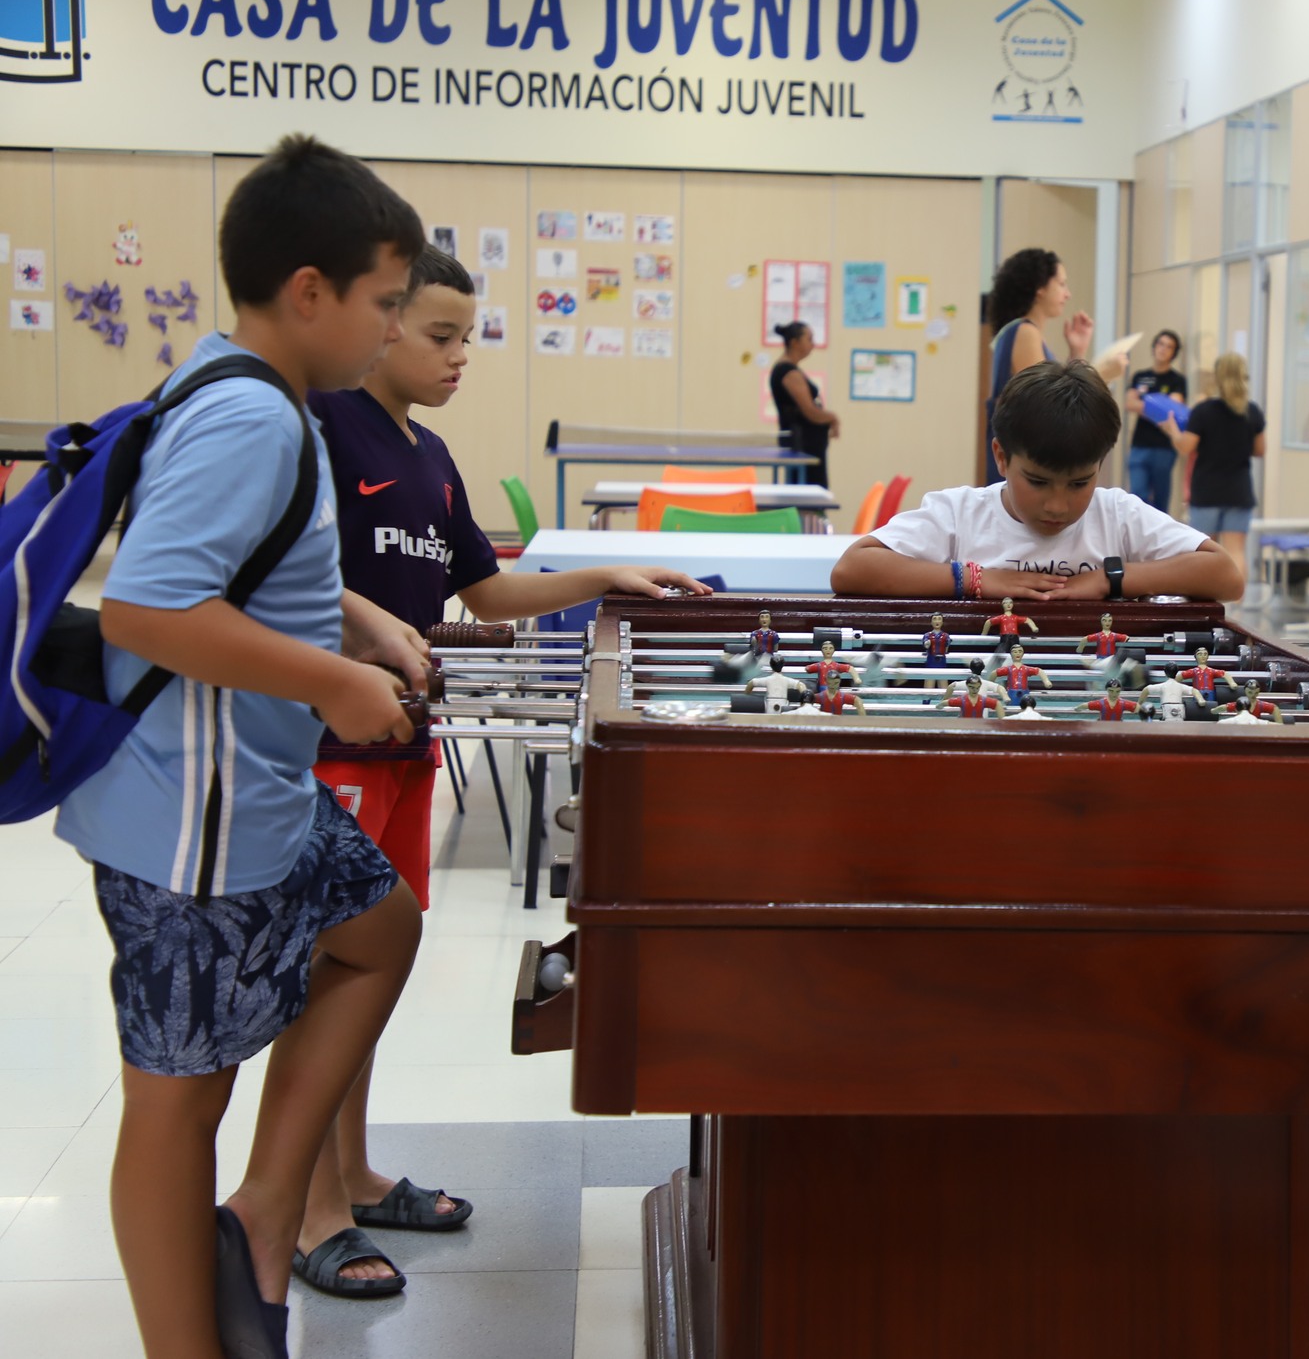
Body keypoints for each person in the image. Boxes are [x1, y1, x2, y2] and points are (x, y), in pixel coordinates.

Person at [52, 134, 425, 1359]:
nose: (392, 328)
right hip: (190, 822)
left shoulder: (245, 388)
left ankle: (266, 1211)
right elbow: (154, 607)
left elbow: (252, 567)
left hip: (251, 793)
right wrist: (334, 683)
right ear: (307, 291)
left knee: (380, 930)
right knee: (177, 1099)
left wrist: (359, 621)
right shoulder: (256, 421)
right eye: (382, 303)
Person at [299, 246, 709, 1296]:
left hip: (404, 748)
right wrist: (370, 628)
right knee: (324, 978)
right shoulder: (319, 431)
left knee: (371, 974)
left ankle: (352, 1170)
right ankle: (308, 1210)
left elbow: (484, 592)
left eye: (466, 337)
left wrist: (602, 573)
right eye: (438, 334)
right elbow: (282, 579)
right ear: (381, 320)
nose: (458, 356)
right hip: (319, 750)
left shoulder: (430, 457)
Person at [833, 360, 1241, 602]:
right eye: (1039, 481)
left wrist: (1109, 579)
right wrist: (976, 579)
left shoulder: (1117, 515)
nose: (1057, 505)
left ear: (1101, 463)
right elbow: (853, 569)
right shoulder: (960, 514)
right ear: (1001, 457)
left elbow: (1225, 575)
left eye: (1079, 483)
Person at [983, 247, 1127, 485]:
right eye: (1061, 284)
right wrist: (1103, 374)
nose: (1067, 294)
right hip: (1028, 470)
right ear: (1040, 287)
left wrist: (1077, 352)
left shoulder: (1020, 332)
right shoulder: (1025, 332)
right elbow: (1046, 404)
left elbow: (1056, 396)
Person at [1159, 351, 1264, 576]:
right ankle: (1237, 606)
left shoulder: (1204, 411)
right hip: (1239, 490)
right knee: (1236, 550)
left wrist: (1173, 431)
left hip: (1207, 490)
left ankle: (1208, 604)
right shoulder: (1252, 411)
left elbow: (1185, 447)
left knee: (1203, 552)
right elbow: (1260, 450)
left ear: (1217, 377)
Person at [769, 320, 838, 488]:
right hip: (803, 446)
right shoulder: (788, 373)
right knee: (808, 501)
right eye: (809, 339)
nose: (813, 345)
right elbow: (810, 411)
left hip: (809, 445)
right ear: (794, 342)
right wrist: (833, 418)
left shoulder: (791, 370)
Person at [1124, 330, 1186, 511]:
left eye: (1169, 347)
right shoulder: (1140, 376)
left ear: (1174, 353)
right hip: (1139, 445)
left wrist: (1144, 403)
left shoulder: (1177, 380)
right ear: (1154, 347)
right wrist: (1156, 406)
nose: (1163, 349)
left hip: (1164, 447)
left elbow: (1171, 411)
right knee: (1137, 496)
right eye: (1161, 344)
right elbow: (1129, 403)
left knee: (1160, 502)